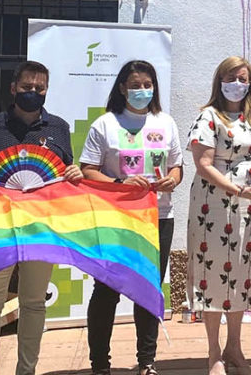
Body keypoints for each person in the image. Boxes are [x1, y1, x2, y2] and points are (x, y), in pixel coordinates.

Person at [0, 60, 83, 375]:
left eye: (40, 88)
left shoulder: (59, 128)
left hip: (40, 227)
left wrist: (76, 173)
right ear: (13, 89)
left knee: (34, 303)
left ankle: (27, 370)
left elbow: (64, 175)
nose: (33, 93)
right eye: (27, 87)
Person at [78, 60, 183, 375]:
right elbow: (88, 171)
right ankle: (100, 364)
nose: (142, 91)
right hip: (116, 219)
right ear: (122, 88)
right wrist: (120, 184)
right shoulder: (105, 125)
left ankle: (147, 361)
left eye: (147, 85)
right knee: (107, 289)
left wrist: (173, 180)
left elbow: (177, 166)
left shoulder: (166, 123)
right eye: (135, 85)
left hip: (159, 217)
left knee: (148, 288)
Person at [186, 56, 251, 375]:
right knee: (213, 273)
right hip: (214, 205)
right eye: (232, 77)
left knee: (241, 272)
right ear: (219, 80)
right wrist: (237, 189)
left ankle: (234, 348)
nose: (238, 84)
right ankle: (214, 353)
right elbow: (204, 164)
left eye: (243, 78)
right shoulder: (208, 117)